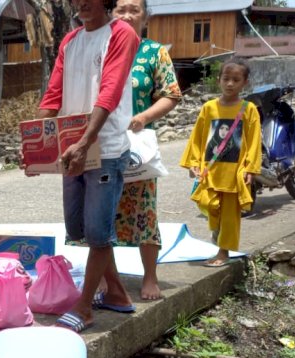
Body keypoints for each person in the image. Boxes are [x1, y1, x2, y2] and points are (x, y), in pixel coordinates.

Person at [33, 0, 139, 333]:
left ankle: (84, 307)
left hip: (105, 147)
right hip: (72, 146)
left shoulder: (121, 33)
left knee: (97, 232)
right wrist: (34, 145)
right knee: (80, 228)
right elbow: (53, 94)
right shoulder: (70, 40)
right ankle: (117, 293)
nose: (82, 3)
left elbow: (110, 91)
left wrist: (85, 142)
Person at [111, 0, 181, 300]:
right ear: (111, 13)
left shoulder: (154, 52)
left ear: (145, 18)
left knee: (144, 209)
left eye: (134, 10)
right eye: (120, 9)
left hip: (137, 147)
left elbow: (171, 94)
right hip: (102, 143)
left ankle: (150, 276)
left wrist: (144, 117)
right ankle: (106, 278)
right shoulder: (101, 48)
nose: (127, 15)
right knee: (100, 212)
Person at [182, 59, 261, 268]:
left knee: (230, 216)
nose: (230, 84)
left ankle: (223, 251)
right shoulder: (209, 108)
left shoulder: (248, 109)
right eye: (226, 79)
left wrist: (251, 168)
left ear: (245, 83)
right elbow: (198, 137)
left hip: (234, 172)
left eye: (236, 80)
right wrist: (193, 161)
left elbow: (254, 139)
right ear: (219, 80)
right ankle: (217, 238)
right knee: (208, 204)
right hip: (211, 170)